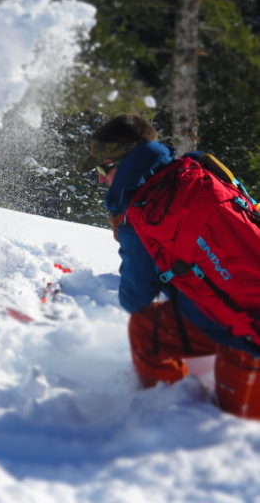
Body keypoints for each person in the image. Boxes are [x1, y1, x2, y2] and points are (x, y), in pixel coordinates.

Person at [78, 114, 260, 418]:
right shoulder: (202, 167)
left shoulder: (145, 213)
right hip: (243, 307)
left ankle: (169, 418)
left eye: (103, 169)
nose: (100, 179)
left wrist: (128, 240)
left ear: (124, 164)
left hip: (249, 335)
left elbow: (134, 299)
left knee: (234, 427)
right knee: (156, 323)